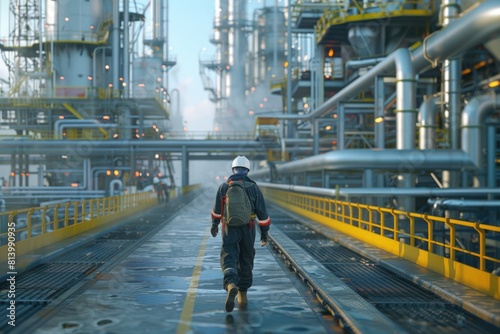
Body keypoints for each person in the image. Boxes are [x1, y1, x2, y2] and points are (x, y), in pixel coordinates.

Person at [210, 155, 271, 312]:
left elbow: (217, 211)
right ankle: (243, 295)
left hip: (229, 227)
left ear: (233, 169)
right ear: (247, 170)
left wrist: (215, 225)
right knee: (246, 257)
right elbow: (263, 215)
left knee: (229, 254)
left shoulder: (224, 187)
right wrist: (264, 233)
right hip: (248, 227)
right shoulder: (254, 188)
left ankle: (231, 283)